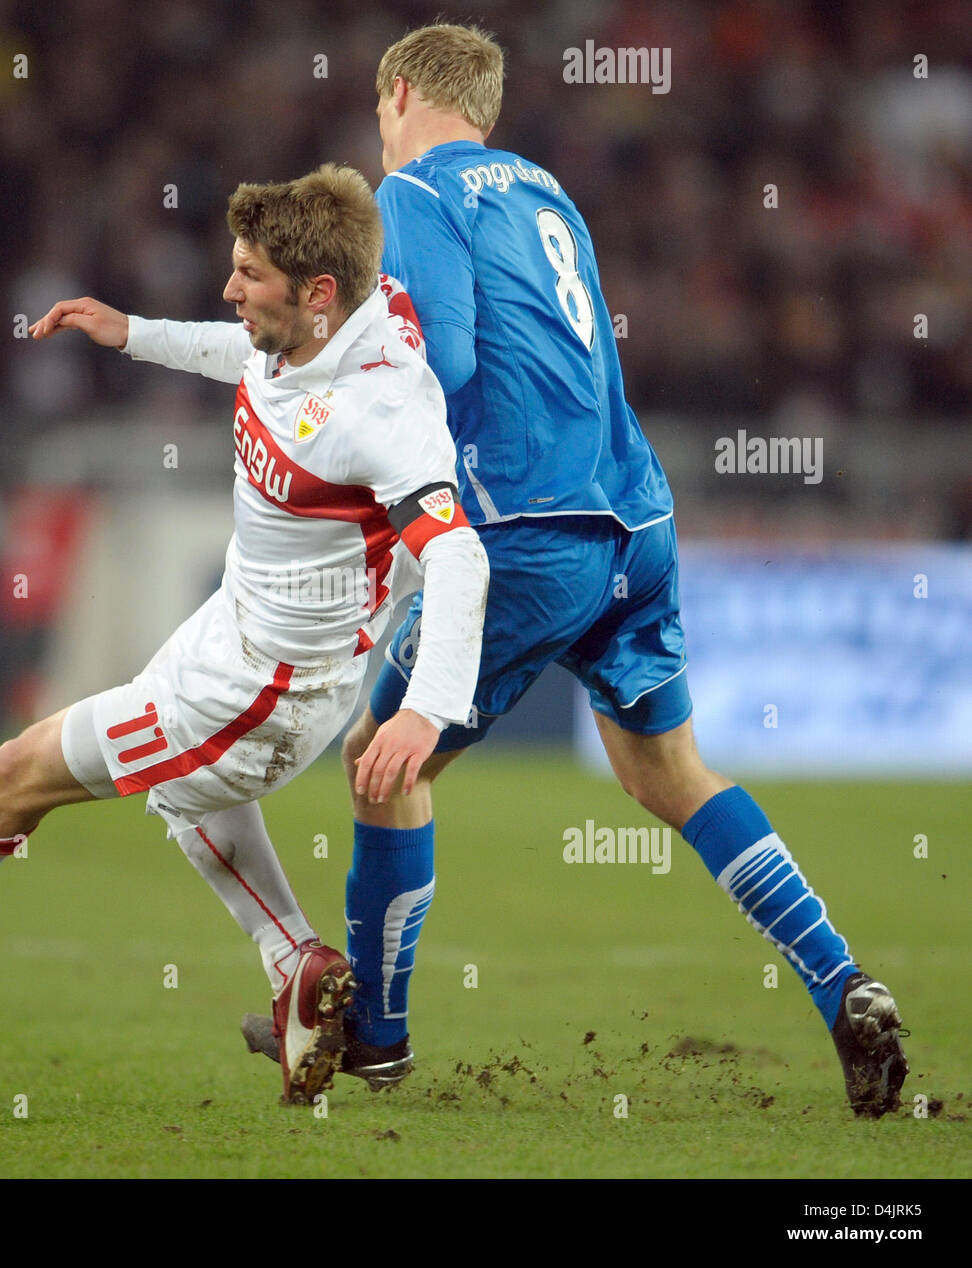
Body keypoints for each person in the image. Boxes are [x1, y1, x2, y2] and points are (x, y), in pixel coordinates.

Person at [242, 25, 908, 1117]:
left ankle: (377, 1034)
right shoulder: (550, 193)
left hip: (528, 531)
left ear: (400, 91)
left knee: (380, 755)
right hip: (633, 518)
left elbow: (447, 359)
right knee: (668, 773)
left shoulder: (410, 192)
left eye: (376, 104)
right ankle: (844, 979)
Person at [0, 163, 489, 1107]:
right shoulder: (318, 328)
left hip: (263, 691)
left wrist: (427, 711)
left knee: (14, 776)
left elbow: (460, 558)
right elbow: (245, 352)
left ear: (320, 294)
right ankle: (297, 963)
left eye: (249, 276)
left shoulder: (381, 411)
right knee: (184, 798)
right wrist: (132, 333)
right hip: (232, 635)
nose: (229, 291)